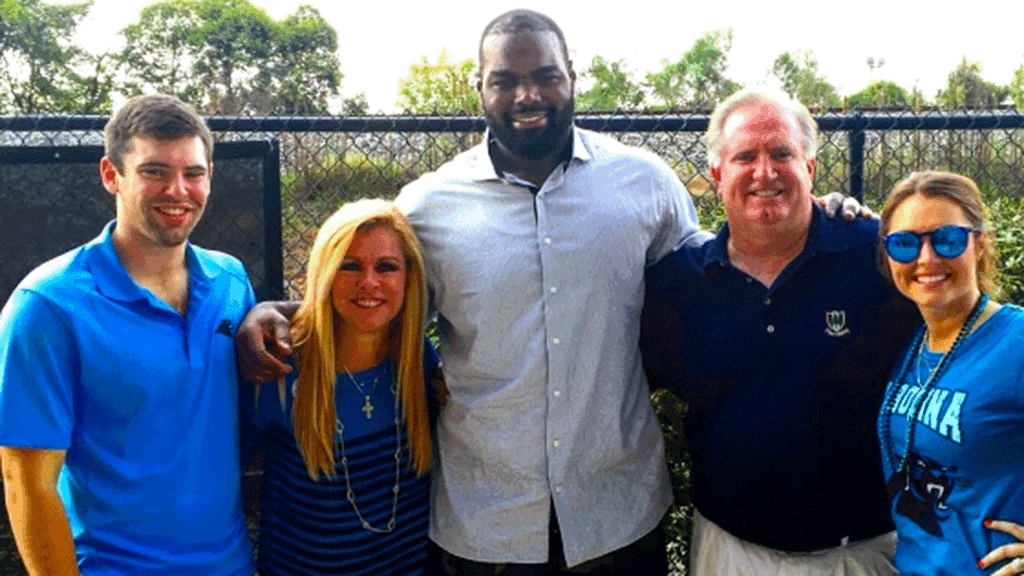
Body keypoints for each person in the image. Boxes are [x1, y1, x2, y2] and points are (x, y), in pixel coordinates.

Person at [235, 12, 864, 574]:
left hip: (617, 517)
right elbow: (370, 294)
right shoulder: (427, 206)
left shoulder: (643, 183)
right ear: (477, 88)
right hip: (485, 526)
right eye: (505, 79)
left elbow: (723, 269)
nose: (527, 94)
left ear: (573, 78)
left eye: (546, 75)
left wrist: (824, 217)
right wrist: (272, 313)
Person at [640, 87, 921, 575]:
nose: (764, 172)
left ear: (810, 168)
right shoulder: (677, 285)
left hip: (863, 552)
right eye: (745, 156)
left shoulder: (875, 258)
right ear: (716, 174)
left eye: (782, 153)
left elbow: (969, 363)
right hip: (729, 549)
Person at [0, 94, 254, 575]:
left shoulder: (231, 281)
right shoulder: (48, 306)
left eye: (193, 173)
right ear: (111, 174)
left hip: (231, 565)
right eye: (155, 171)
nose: (178, 190)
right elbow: (27, 484)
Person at [241, 199, 439, 575]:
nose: (369, 282)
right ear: (325, 273)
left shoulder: (417, 360)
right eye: (349, 265)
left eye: (387, 267)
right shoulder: (278, 369)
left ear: (409, 277)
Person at [876, 171, 1024, 576]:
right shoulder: (913, 345)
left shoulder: (1016, 341)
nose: (926, 259)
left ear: (980, 243)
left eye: (947, 239)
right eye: (905, 243)